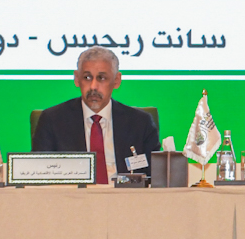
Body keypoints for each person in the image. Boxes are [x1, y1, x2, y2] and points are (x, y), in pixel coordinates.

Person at [30, 46, 161, 184]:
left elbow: (154, 177)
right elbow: (39, 176)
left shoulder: (140, 123)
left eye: (102, 78)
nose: (93, 86)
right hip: (72, 200)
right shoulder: (53, 120)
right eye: (87, 78)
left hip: (126, 199)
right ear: (76, 79)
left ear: (116, 80)